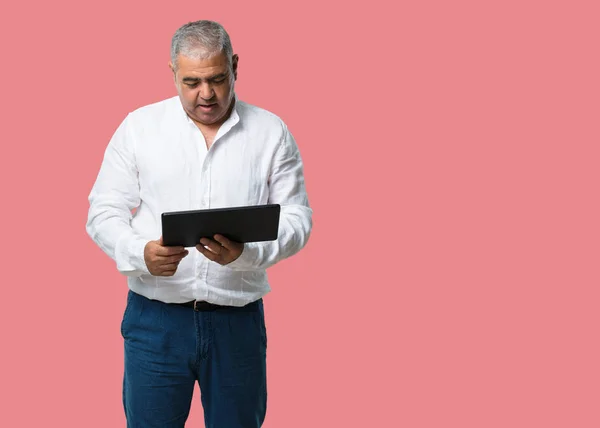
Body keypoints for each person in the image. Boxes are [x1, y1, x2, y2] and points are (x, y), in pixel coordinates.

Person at [86, 20, 312, 428]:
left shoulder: (271, 133)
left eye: (217, 79)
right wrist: (141, 254)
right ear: (172, 72)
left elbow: (297, 219)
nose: (206, 94)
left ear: (235, 66)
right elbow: (103, 212)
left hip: (236, 323)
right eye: (191, 82)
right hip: (155, 322)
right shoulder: (138, 129)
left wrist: (248, 253)